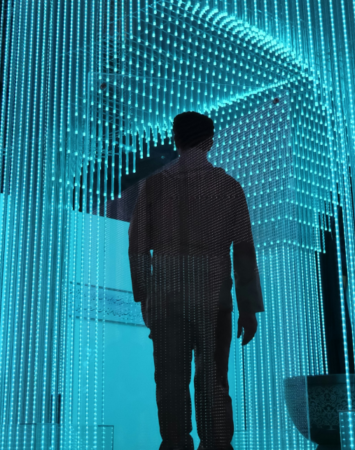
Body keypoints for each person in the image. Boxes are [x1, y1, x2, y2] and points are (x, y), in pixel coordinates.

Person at [128, 111, 264, 450]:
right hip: (213, 293)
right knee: (213, 380)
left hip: (167, 293)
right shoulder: (229, 186)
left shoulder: (153, 185)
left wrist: (144, 295)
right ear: (211, 140)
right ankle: (216, 445)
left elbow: (138, 247)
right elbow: (243, 250)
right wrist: (248, 310)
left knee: (171, 381)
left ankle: (175, 445)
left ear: (175, 139)